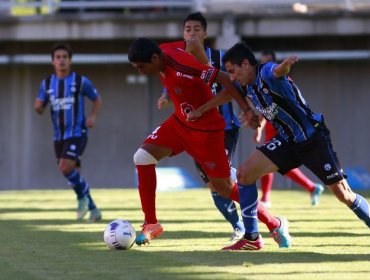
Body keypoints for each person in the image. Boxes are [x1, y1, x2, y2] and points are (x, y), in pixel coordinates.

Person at [188, 42, 370, 249]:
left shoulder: (265, 71)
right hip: (285, 140)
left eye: (232, 71)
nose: (231, 77)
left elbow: (277, 71)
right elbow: (228, 94)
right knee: (244, 175)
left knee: (343, 195)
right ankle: (252, 238)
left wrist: (284, 65)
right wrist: (212, 110)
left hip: (312, 139)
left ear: (246, 64)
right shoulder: (243, 84)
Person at [128, 37, 291, 251]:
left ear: (155, 58)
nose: (141, 71)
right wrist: (204, 60)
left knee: (223, 188)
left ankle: (274, 223)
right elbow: (193, 42)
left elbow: (225, 79)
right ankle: (151, 222)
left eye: (142, 66)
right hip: (180, 123)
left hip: (206, 131)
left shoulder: (184, 67)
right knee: (142, 157)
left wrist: (246, 110)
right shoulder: (166, 49)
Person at [157, 12, 245, 242]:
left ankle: (253, 216)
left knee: (222, 179)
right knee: (213, 185)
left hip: (224, 127)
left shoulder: (221, 57)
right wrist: (165, 95)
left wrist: (248, 109)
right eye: (188, 29)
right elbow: (174, 81)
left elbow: (235, 84)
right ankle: (239, 226)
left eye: (197, 29)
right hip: (194, 130)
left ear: (205, 33)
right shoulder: (176, 59)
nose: (192, 33)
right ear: (182, 33)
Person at [34, 43, 102, 223]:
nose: (61, 60)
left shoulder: (80, 81)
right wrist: (39, 108)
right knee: (71, 173)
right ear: (52, 61)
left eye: (65, 57)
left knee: (65, 166)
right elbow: (40, 104)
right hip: (59, 136)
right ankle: (93, 208)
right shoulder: (47, 83)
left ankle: (84, 201)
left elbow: (96, 99)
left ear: (70, 60)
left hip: (77, 132)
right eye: (58, 57)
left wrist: (93, 116)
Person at [254, 50, 324, 208]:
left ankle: (266, 198)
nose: (264, 66)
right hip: (272, 127)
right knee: (273, 162)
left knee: (272, 161)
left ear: (273, 64)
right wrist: (259, 128)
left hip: (285, 128)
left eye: (267, 62)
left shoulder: (282, 79)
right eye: (262, 62)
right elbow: (265, 107)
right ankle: (310, 187)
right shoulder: (259, 82)